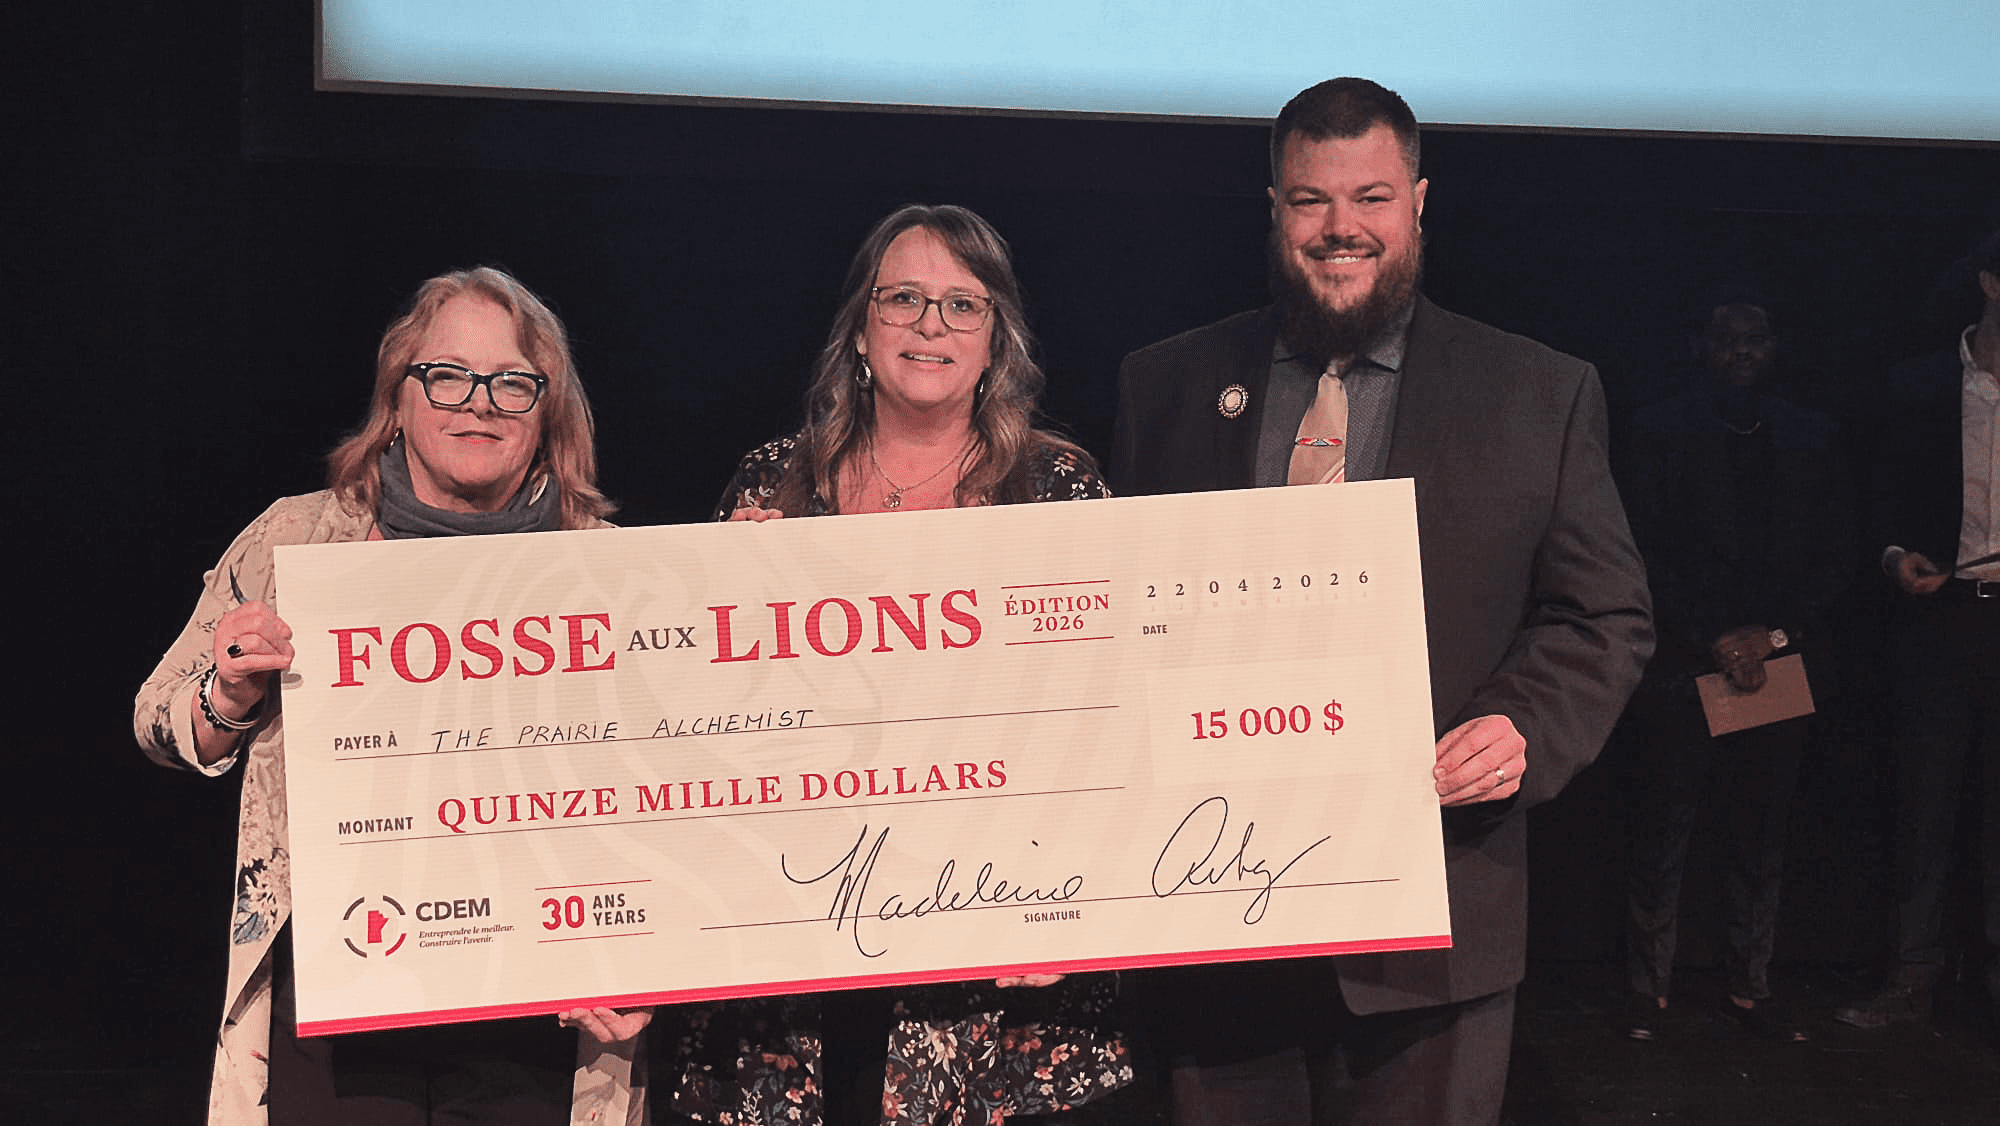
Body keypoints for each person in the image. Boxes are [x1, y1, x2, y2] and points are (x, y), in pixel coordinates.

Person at [1110, 78, 1652, 1125]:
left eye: (1369, 196)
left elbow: (1603, 615)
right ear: (1272, 209)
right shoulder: (1164, 383)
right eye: (1309, 201)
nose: (1338, 228)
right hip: (1213, 912)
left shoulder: (1537, 390)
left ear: (1417, 202)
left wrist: (1524, 723)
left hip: (1432, 919)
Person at [653, 204, 1129, 1126]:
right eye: (904, 298)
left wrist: (1080, 901)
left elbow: (1110, 720)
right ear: (861, 331)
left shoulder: (1060, 492)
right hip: (790, 965)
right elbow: (690, 735)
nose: (930, 325)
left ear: (997, 343)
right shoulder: (770, 487)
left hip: (999, 960)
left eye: (963, 305)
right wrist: (724, 619)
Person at [135, 267, 635, 1125]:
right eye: (448, 375)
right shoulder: (296, 538)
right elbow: (157, 719)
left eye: (514, 383)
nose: (479, 403)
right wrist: (231, 690)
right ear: (397, 399)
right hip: (345, 982)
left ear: (547, 413)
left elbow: (666, 783)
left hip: (535, 999)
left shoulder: (610, 569)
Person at [1617, 293, 1853, 1043]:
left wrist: (1771, 637)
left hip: (1778, 661)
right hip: (1683, 662)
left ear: (1775, 347)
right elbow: (1638, 549)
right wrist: (1713, 637)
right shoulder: (1659, 430)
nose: (1743, 352)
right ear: (1701, 347)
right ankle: (1645, 991)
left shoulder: (1812, 436)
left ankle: (1750, 984)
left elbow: (1837, 553)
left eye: (1756, 339)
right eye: (1728, 340)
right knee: (1664, 831)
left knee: (1762, 834)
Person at [1835, 227, 2000, 1030]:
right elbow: (1870, 501)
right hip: (1937, 626)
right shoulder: (1920, 383)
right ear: (1989, 285)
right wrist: (1897, 555)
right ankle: (1910, 979)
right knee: (1922, 809)